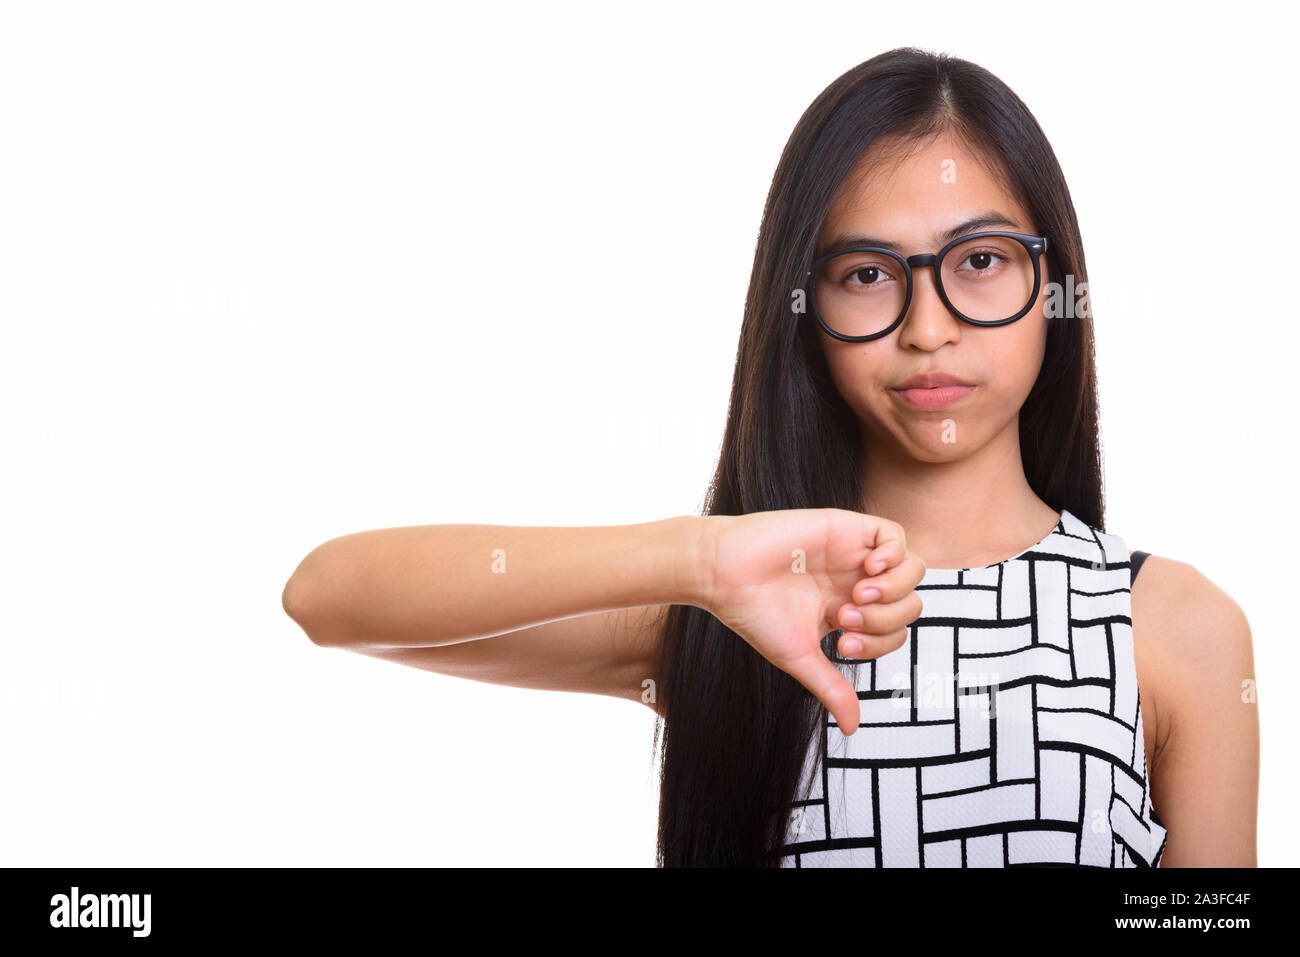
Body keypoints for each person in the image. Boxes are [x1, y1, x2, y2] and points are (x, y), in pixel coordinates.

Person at [281, 47, 1258, 868]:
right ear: (803, 310)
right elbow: (329, 596)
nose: (928, 329)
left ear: (1053, 285)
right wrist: (700, 562)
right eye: (868, 275)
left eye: (980, 261)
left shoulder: (1176, 628)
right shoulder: (742, 604)